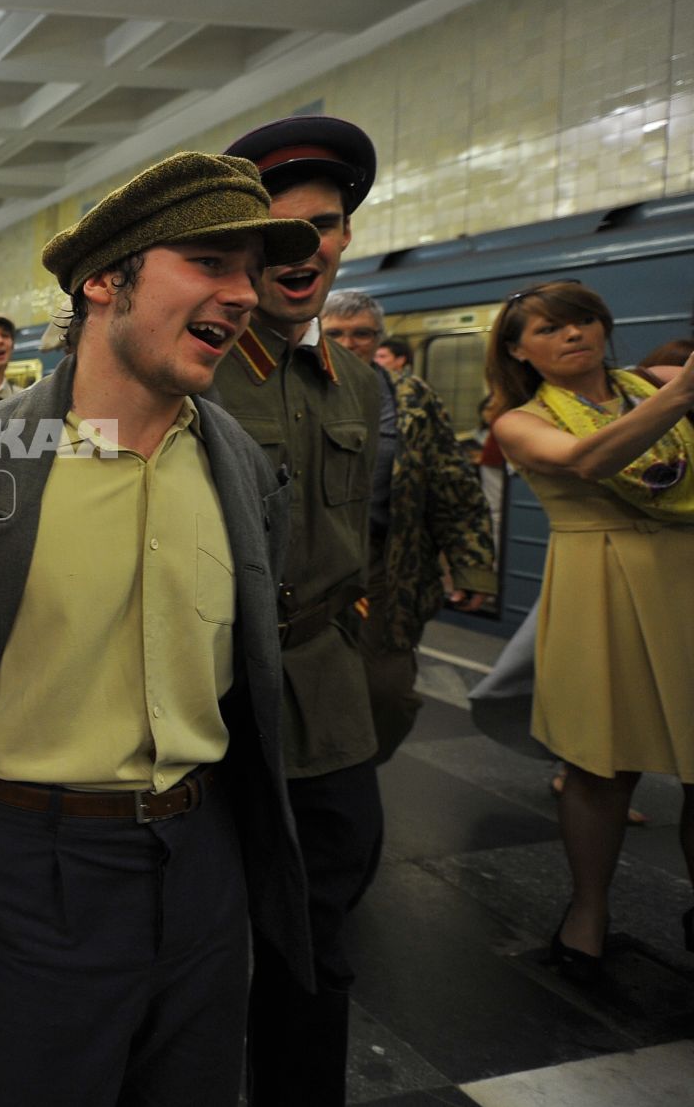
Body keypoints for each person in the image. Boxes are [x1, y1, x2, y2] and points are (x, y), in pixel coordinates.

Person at [0, 153, 315, 1106]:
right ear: (105, 280)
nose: (243, 294)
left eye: (250, 271)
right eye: (209, 261)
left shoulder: (238, 462)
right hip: (34, 862)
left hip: (205, 859)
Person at [220, 115, 387, 1107]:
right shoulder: (191, 376)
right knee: (194, 943)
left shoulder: (357, 380)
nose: (305, 252)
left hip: (326, 703)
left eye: (323, 226)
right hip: (216, 697)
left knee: (321, 946)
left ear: (346, 237)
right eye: (278, 233)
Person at [484, 280, 694, 978]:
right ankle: (587, 914)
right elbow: (587, 459)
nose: (571, 334)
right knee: (601, 766)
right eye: (548, 329)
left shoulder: (654, 384)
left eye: (581, 320)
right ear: (519, 351)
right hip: (599, 583)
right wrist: (678, 395)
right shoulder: (519, 419)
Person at [321, 289, 496, 762]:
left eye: (362, 334)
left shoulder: (410, 397)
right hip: (310, 561)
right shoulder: (294, 388)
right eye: (335, 332)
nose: (349, 342)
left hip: (386, 564)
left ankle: (361, 770)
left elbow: (453, 484)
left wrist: (471, 565)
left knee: (387, 691)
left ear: (379, 339)